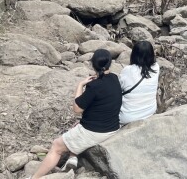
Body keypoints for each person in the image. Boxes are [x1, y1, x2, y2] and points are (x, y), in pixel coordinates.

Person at [31, 49, 121, 178]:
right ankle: (73, 157)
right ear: (109, 64)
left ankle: (34, 177)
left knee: (56, 146)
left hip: (95, 131)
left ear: (93, 64)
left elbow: (77, 109)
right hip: (112, 126)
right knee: (76, 125)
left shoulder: (94, 86)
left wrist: (80, 85)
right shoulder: (114, 78)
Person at [119, 41, 159, 125]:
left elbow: (118, 88)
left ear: (134, 55)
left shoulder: (128, 70)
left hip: (128, 117)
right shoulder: (156, 67)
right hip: (149, 111)